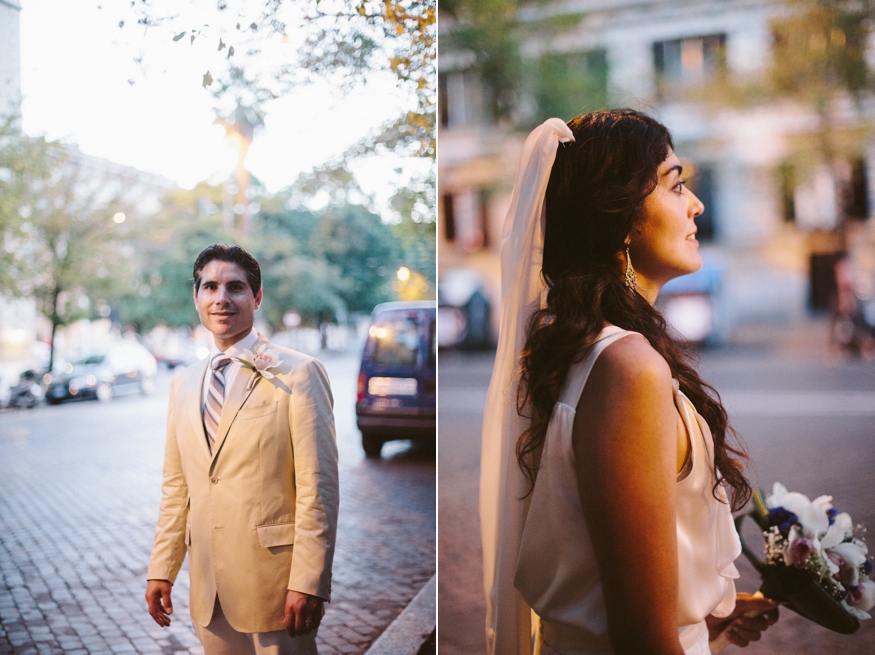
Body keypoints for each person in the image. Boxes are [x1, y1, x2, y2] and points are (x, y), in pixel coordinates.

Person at [480, 111, 780, 655]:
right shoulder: (628, 368)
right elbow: (640, 639)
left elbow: (601, 578)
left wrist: (704, 619)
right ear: (622, 217)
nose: (697, 205)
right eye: (676, 184)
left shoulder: (582, 352)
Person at [145, 244, 339, 655]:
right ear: (196, 298)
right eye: (210, 287)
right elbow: (177, 487)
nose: (221, 298)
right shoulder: (182, 384)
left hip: (276, 587)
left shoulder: (299, 373)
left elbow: (317, 487)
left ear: (257, 296)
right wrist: (162, 568)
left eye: (235, 287)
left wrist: (308, 580)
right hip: (210, 589)